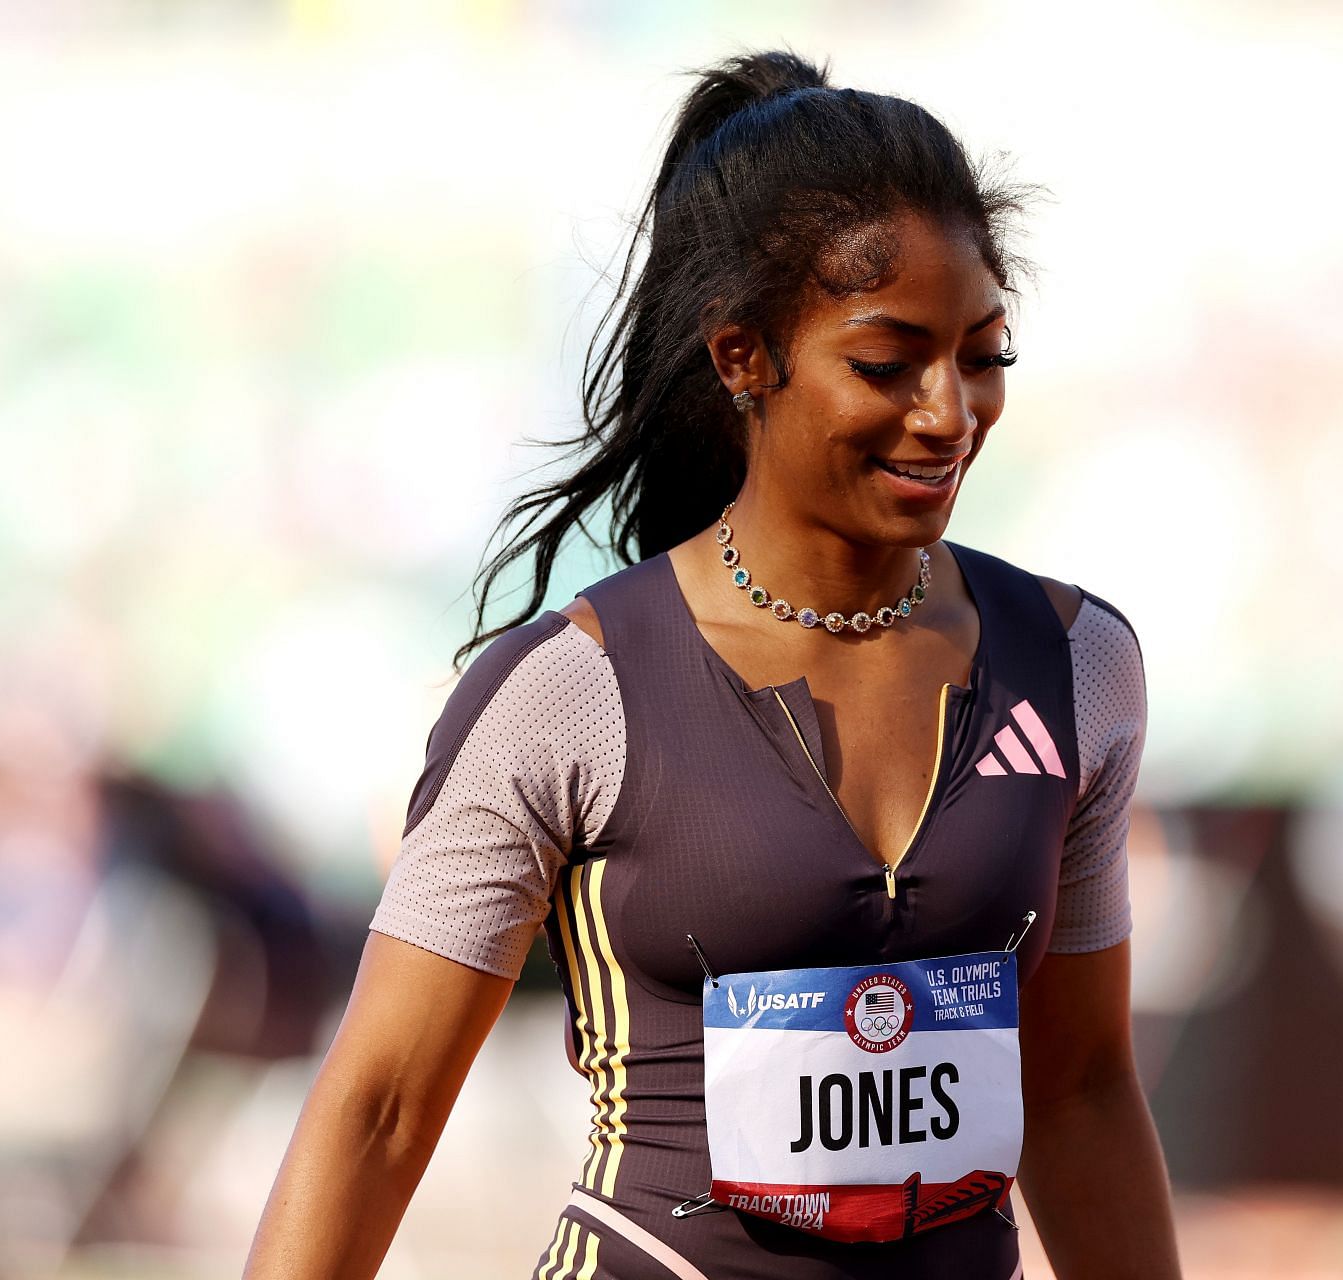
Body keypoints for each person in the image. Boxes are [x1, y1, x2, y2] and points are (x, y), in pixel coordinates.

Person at [246, 49, 1184, 1280]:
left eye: (984, 354)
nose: (950, 410)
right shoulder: (570, 691)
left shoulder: (1077, 666)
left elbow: (1079, 1091)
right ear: (743, 358)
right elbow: (377, 1106)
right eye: (887, 363)